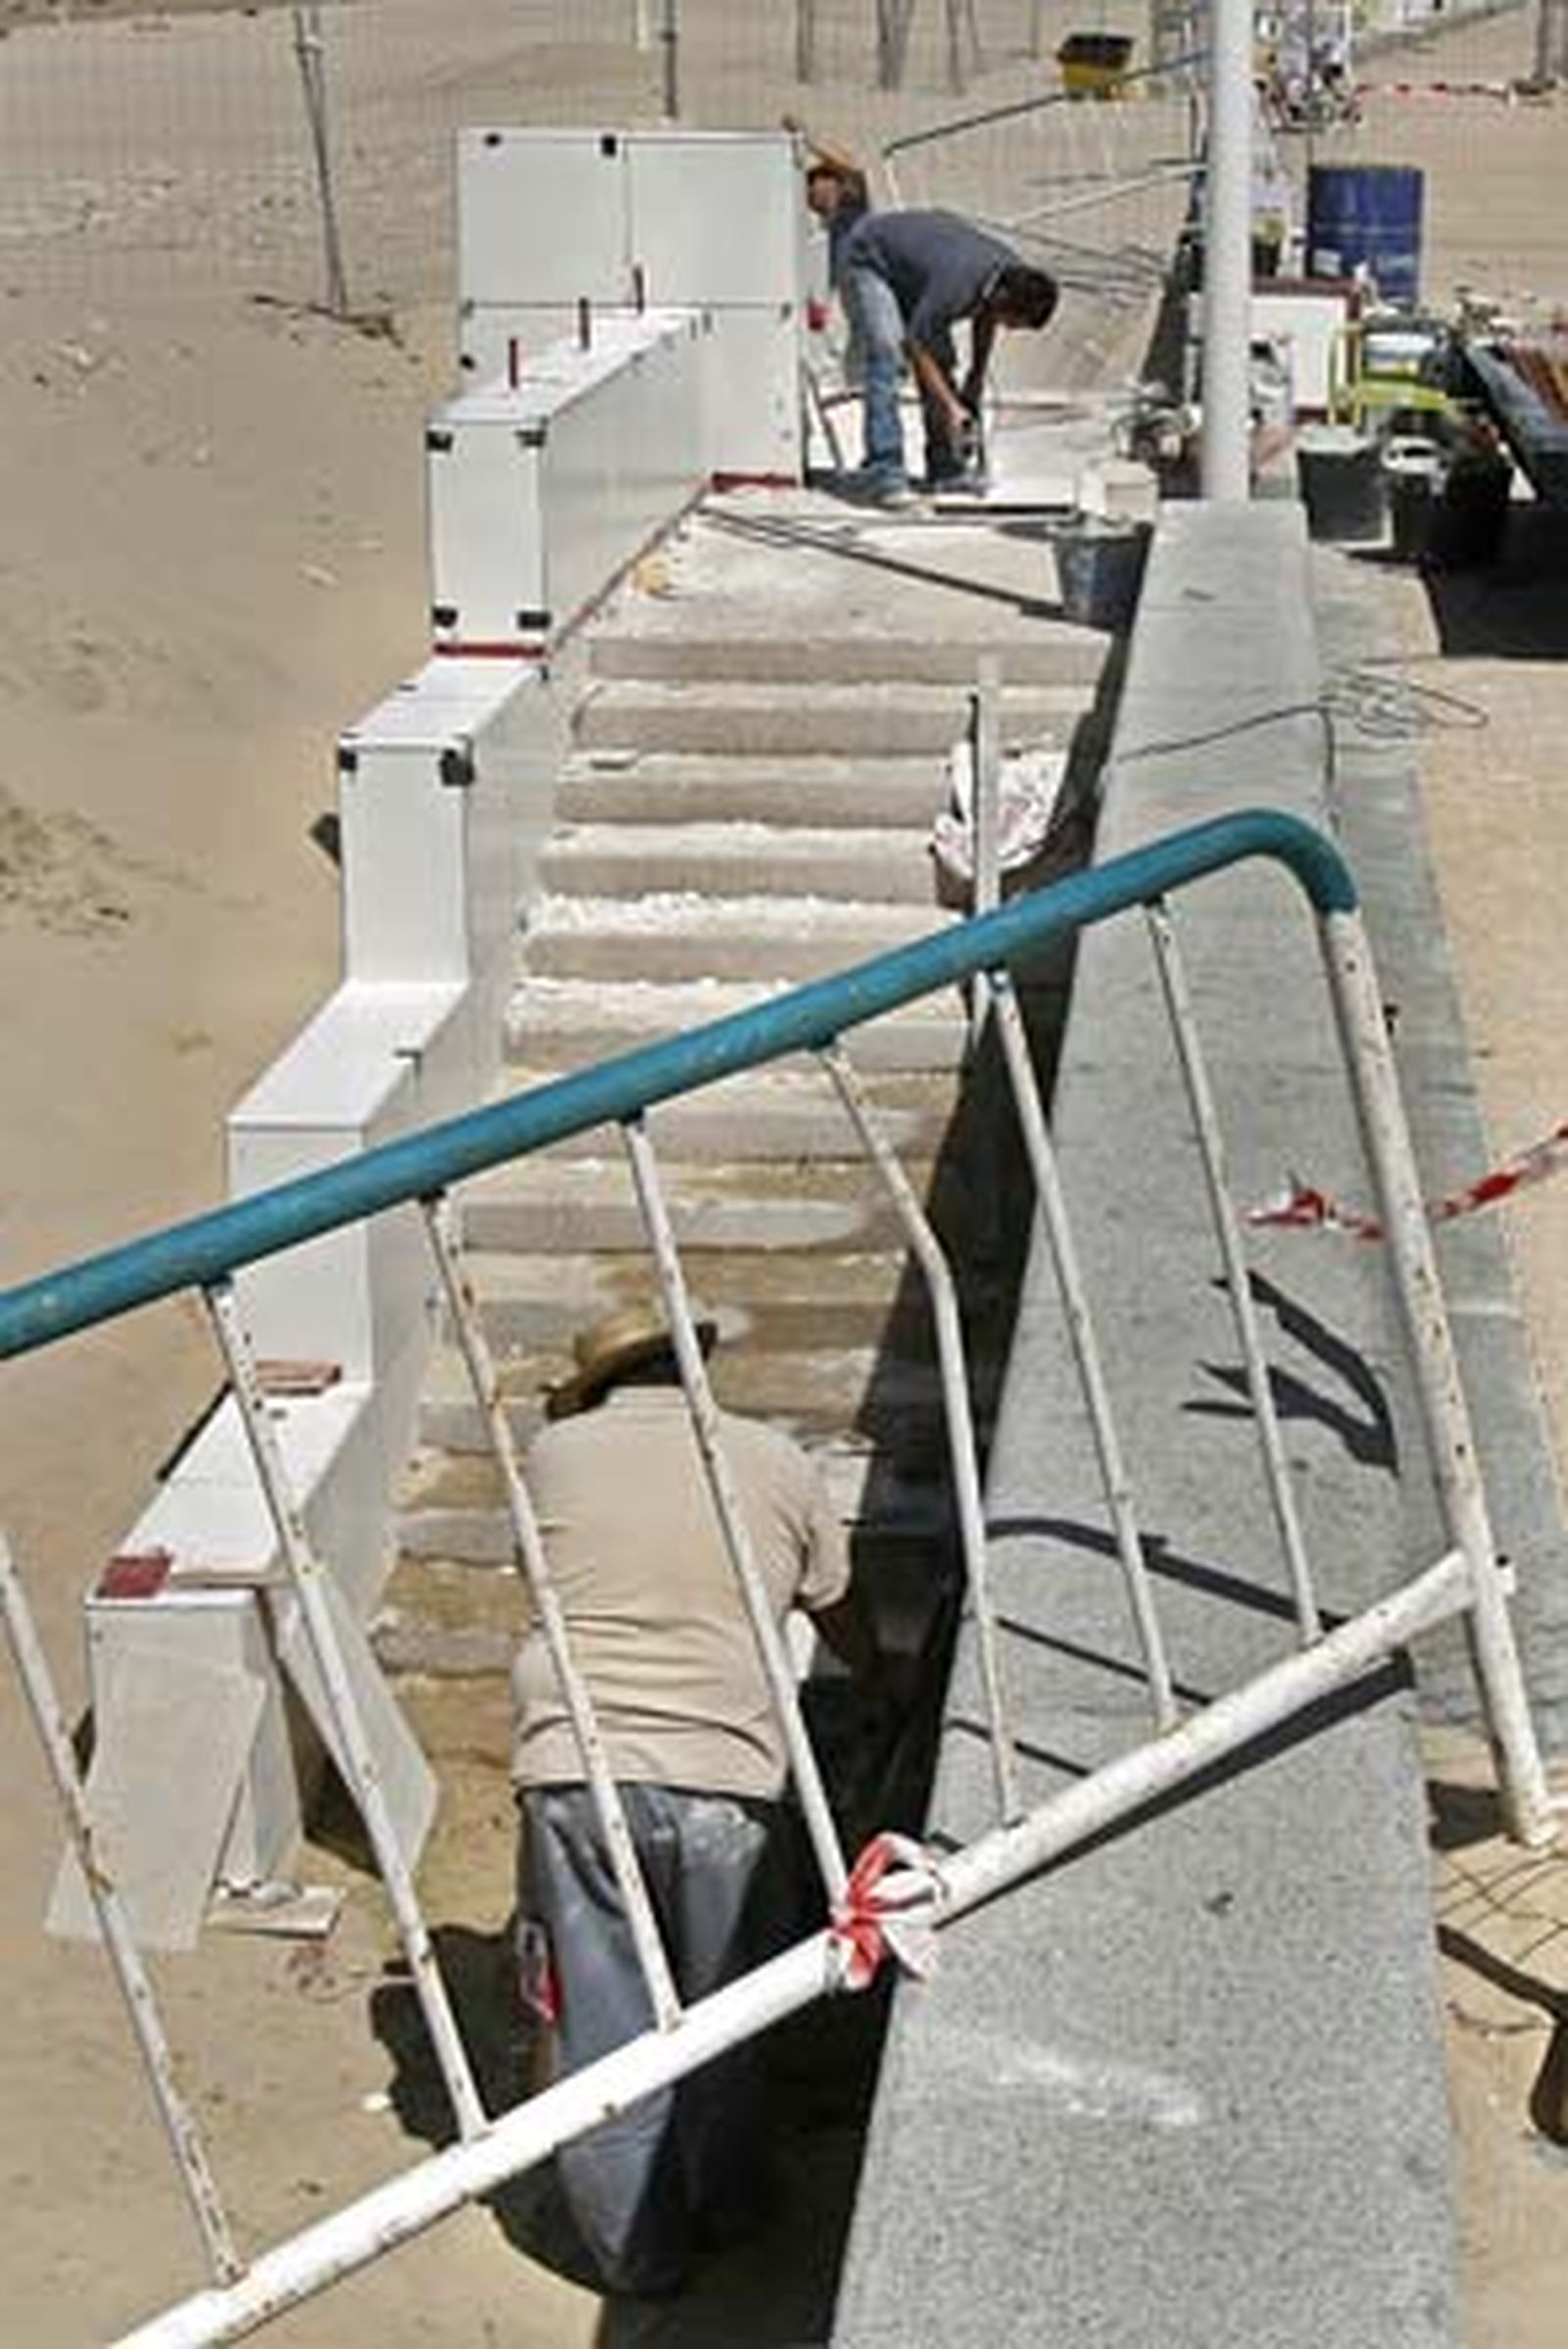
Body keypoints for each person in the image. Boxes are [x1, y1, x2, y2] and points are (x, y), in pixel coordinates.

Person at [510, 1298, 883, 2297]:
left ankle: (639, 2256)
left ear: (593, 1390)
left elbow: (543, 1584)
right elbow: (833, 1602)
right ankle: (734, 2212)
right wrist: (884, 1685)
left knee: (605, 2023)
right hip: (729, 1775)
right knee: (728, 2011)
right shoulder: (770, 1460)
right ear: (693, 1370)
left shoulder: (552, 1460)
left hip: (576, 1769)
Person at [834, 207, 1059, 507]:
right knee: (888, 352)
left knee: (940, 364)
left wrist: (976, 376)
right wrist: (952, 407)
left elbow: (986, 317)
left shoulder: (1010, 275)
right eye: (1014, 323)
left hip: (917, 269)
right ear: (1003, 298)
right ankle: (884, 469)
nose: (1011, 330)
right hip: (870, 257)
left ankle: (945, 469)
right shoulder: (955, 283)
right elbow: (915, 344)